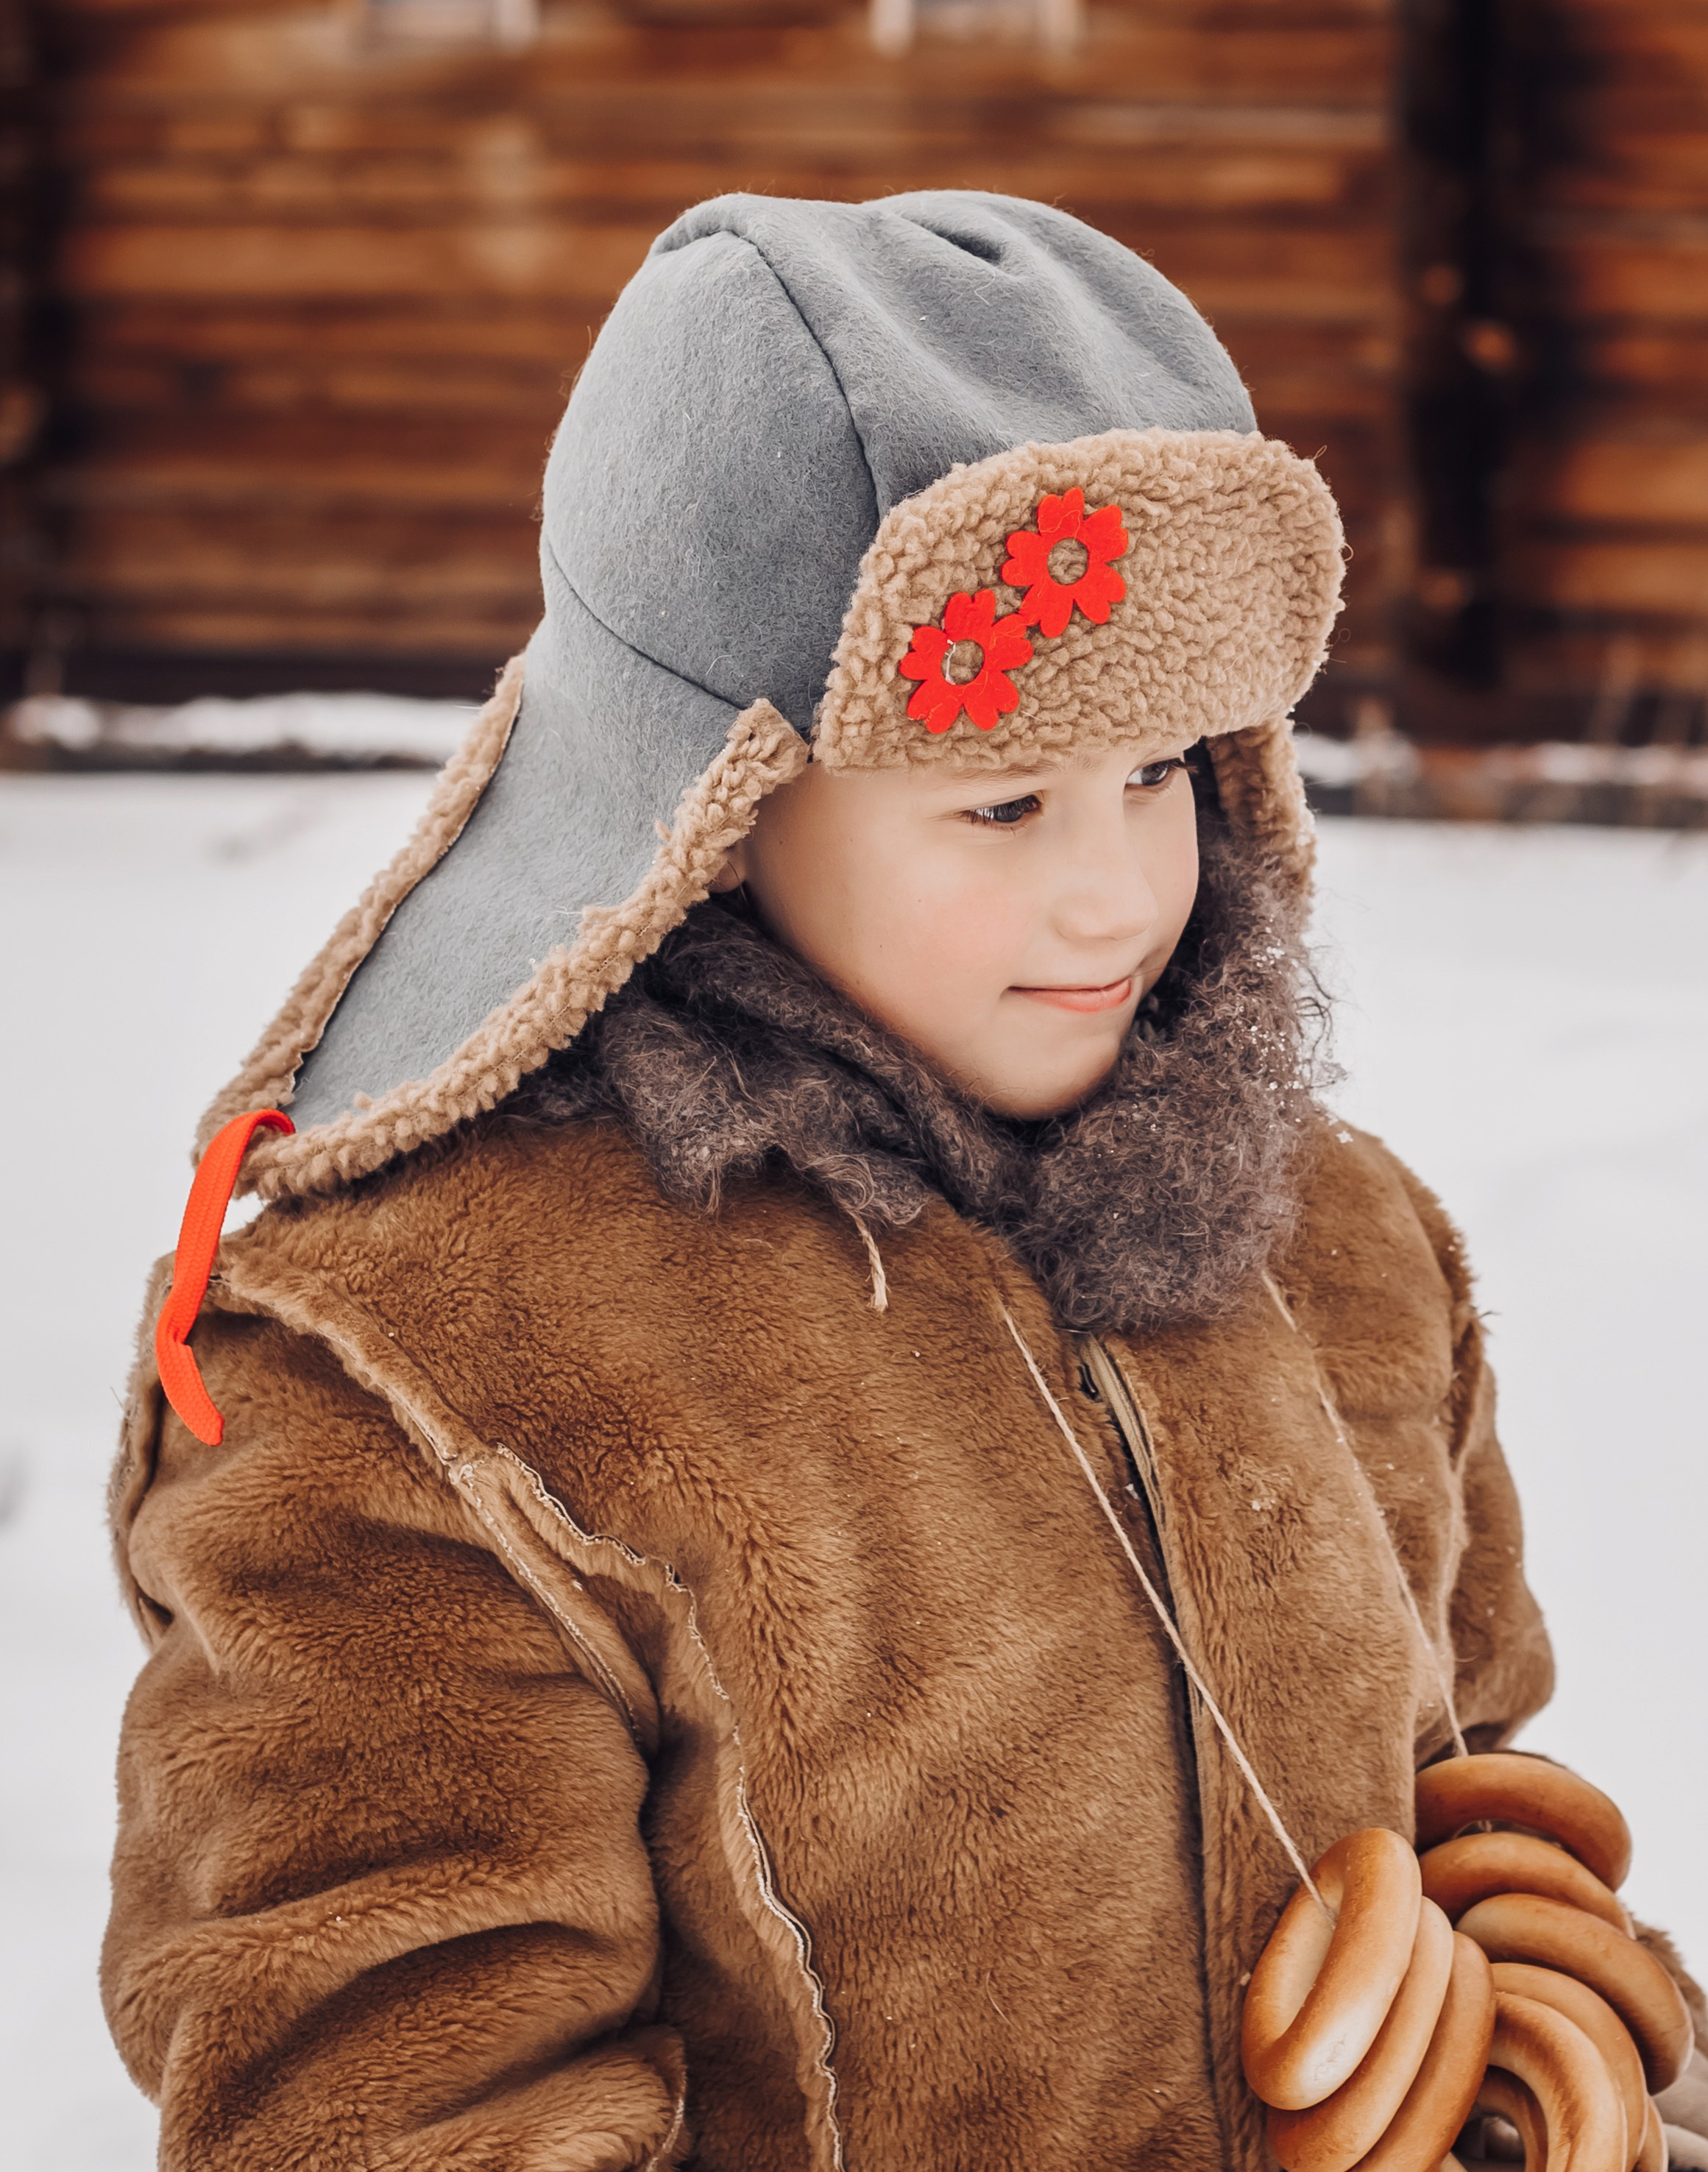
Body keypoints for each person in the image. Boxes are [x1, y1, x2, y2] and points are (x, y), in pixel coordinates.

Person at [101, 193, 1701, 2171]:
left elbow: (1472, 1822)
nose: (1113, 887)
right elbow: (387, 2108)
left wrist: (1587, 2085)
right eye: (1004, 798)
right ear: (714, 797)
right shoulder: (427, 1385)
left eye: (1160, 773)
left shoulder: (1333, 1246)